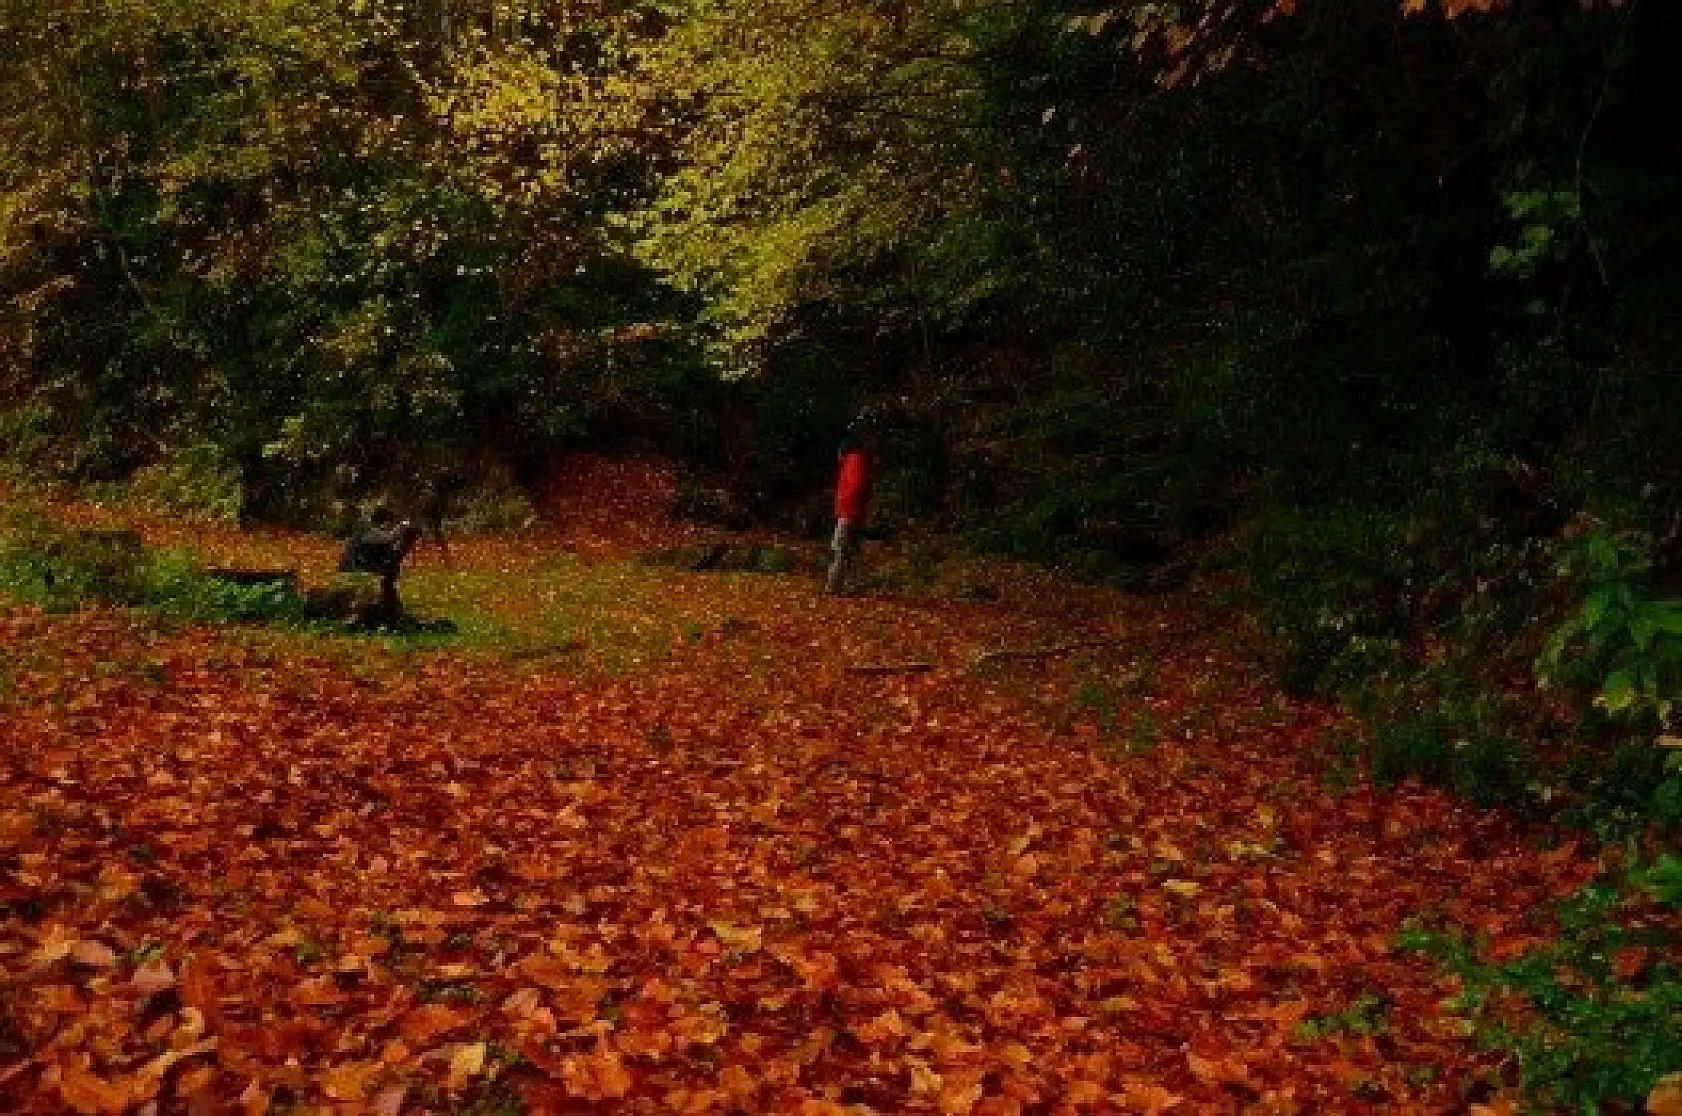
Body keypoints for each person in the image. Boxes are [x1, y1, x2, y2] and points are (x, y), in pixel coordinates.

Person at [826, 431, 872, 595]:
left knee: (839, 547)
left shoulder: (854, 460)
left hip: (849, 512)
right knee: (851, 549)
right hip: (853, 511)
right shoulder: (854, 461)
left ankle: (834, 585)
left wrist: (845, 502)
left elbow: (856, 484)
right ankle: (852, 585)